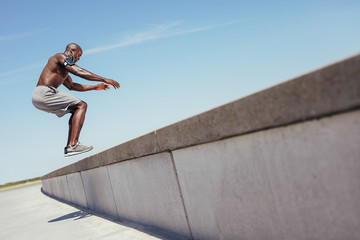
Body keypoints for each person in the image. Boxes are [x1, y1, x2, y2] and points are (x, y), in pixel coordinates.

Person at [32, 43, 120, 157]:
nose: (78, 59)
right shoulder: (60, 57)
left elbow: (72, 86)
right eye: (79, 55)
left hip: (39, 96)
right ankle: (73, 145)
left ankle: (71, 146)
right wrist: (104, 78)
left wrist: (95, 87)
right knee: (81, 105)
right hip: (45, 92)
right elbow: (78, 71)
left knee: (76, 108)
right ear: (72, 52)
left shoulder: (63, 70)